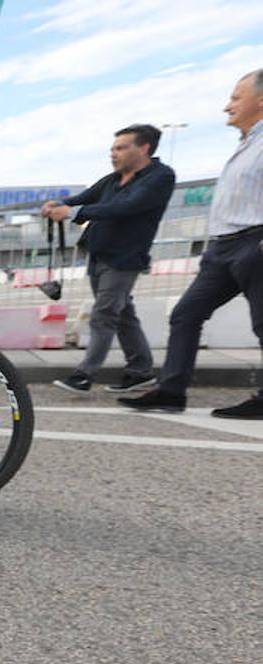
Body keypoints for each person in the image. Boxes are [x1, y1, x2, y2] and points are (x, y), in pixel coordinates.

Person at [120, 70, 263, 418]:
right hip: (223, 248)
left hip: (254, 242)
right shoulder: (247, 144)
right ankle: (171, 391)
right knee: (186, 314)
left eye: (235, 97)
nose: (227, 105)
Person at [42, 125, 175, 394]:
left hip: (124, 259)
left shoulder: (159, 177)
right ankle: (140, 371)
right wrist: (56, 204)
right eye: (113, 148)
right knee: (123, 314)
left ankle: (84, 375)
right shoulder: (112, 179)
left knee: (103, 315)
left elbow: (125, 207)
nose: (114, 154)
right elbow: (81, 199)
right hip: (98, 255)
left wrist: (72, 212)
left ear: (144, 148)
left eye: (121, 148)